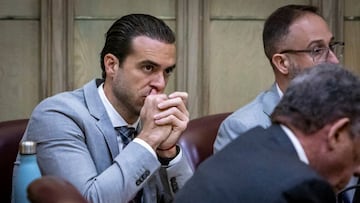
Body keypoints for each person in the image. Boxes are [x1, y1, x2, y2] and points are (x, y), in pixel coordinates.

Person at [12, 14, 193, 203]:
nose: (160, 83)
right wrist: (148, 140)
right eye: (148, 68)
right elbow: (88, 200)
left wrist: (167, 152)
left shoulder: (150, 122)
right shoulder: (57, 115)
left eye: (167, 71)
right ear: (112, 65)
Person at [174, 63, 360, 203]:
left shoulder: (248, 143)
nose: (358, 170)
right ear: (336, 134)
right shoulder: (303, 188)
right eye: (356, 155)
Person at [214, 4, 344, 152]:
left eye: (331, 46)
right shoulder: (242, 129)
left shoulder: (347, 114)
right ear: (282, 63)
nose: (334, 60)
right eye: (317, 50)